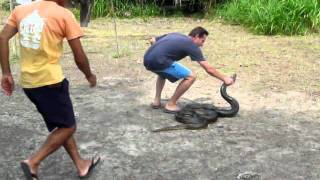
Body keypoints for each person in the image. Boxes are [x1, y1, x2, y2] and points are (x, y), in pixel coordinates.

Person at [0, 0, 100, 179]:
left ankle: (80, 164)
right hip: (51, 82)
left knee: (61, 124)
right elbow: (79, 56)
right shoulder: (63, 15)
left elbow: (2, 37)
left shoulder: (20, 10)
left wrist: (6, 72)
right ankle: (33, 162)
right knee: (68, 127)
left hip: (30, 83)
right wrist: (89, 75)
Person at [144, 26, 235, 113]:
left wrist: (157, 53)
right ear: (196, 37)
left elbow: (153, 40)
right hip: (159, 61)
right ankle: (171, 104)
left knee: (162, 72)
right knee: (191, 76)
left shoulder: (176, 34)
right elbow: (208, 69)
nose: (202, 45)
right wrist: (225, 78)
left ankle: (156, 101)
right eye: (202, 41)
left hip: (147, 59)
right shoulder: (191, 45)